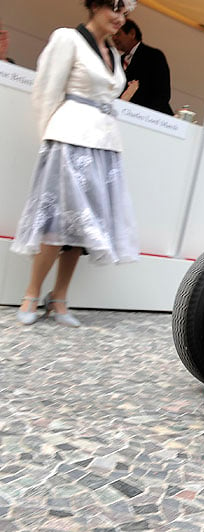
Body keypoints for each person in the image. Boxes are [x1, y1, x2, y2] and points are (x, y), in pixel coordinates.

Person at [12, 0, 140, 327]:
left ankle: (59, 298)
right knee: (56, 223)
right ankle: (31, 293)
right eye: (115, 9)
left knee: (85, 226)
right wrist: (51, 139)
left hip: (105, 146)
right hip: (69, 139)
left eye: (124, 13)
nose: (120, 18)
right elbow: (45, 92)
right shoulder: (67, 38)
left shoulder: (111, 52)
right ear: (95, 5)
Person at [112, 19, 172, 115]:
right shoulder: (118, 60)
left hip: (152, 119)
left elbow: (162, 94)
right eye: (112, 35)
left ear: (132, 33)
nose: (114, 38)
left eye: (118, 34)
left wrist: (143, 116)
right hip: (124, 116)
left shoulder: (153, 56)